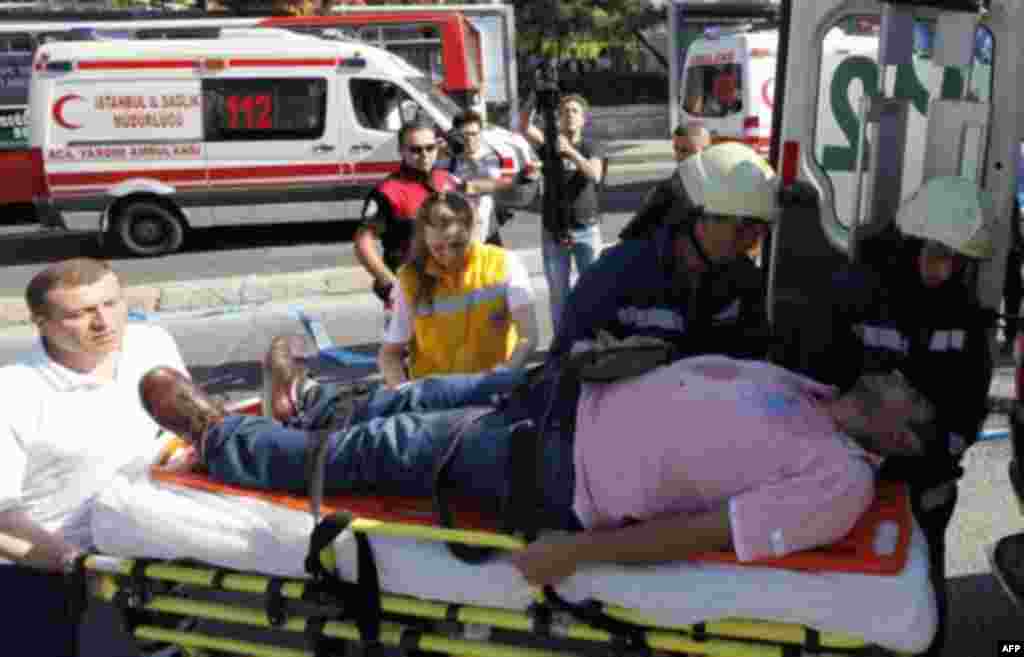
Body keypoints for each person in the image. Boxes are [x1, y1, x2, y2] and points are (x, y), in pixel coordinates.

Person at [141, 353, 935, 589]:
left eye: (910, 390)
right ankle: (305, 404)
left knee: (387, 453)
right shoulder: (813, 388)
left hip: (564, 471)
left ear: (905, 432)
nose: (894, 374)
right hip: (565, 393)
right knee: (413, 397)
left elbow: (706, 531)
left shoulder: (840, 479)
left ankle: (219, 441)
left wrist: (575, 553)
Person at [803, 177, 996, 657]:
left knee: (922, 590)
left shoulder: (964, 315)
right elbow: (819, 377)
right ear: (909, 243)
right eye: (935, 253)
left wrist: (940, 460)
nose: (943, 268)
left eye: (956, 260)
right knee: (848, 587)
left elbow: (969, 402)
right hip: (852, 471)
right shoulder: (855, 294)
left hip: (924, 479)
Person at [0, 258, 190, 657]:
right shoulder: (12, 394)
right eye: (80, 313)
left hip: (144, 539)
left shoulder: (151, 344)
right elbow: (3, 524)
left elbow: (182, 427)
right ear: (41, 323)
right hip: (42, 562)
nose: (105, 323)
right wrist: (74, 562)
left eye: (111, 303)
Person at [377, 192, 539, 388]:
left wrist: (500, 378)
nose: (450, 255)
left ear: (472, 230)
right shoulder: (409, 279)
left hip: (492, 394)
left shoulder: (504, 263)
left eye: (458, 245)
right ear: (424, 241)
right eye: (438, 248)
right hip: (434, 402)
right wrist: (404, 392)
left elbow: (528, 337)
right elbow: (390, 354)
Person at [520, 93, 606, 333]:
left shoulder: (591, 146)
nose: (569, 115)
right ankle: (562, 344)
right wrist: (534, 99)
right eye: (564, 111)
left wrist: (570, 152)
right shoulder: (549, 143)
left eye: (575, 111)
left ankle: (592, 337)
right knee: (559, 293)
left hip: (586, 228)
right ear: (558, 117)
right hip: (554, 230)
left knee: (593, 288)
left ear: (584, 119)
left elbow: (595, 174)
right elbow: (524, 126)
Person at [353, 120, 459, 309]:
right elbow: (363, 243)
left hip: (449, 289)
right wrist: (389, 283)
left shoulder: (447, 181)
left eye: (430, 148)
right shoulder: (388, 191)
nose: (425, 155)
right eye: (416, 150)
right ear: (401, 151)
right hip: (411, 292)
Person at [618, 122, 711, 241]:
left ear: (707, 150)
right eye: (676, 149)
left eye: (685, 150)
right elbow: (636, 228)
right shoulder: (670, 187)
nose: (678, 156)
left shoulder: (723, 182)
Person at [440, 110, 520, 247]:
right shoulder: (449, 160)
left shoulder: (502, 156)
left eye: (474, 134)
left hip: (489, 228)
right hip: (460, 230)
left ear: (481, 133)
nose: (470, 139)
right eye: (464, 135)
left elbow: (509, 183)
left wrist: (476, 182)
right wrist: (440, 151)